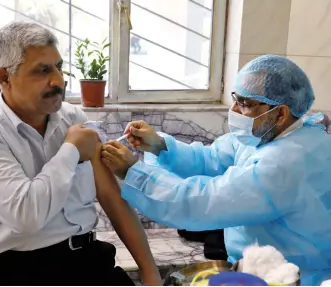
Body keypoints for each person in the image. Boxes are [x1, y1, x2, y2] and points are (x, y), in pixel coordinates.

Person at [0, 21, 161, 286]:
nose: (58, 80)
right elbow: (27, 216)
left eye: (58, 67)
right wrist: (71, 149)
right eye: (42, 70)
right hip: (14, 273)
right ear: (4, 78)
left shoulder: (71, 117)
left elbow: (112, 198)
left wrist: (150, 274)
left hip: (87, 261)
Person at [101, 55, 331, 286]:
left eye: (245, 103)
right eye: (235, 99)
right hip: (262, 270)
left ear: (280, 113)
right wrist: (161, 146)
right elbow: (209, 158)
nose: (233, 110)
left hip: (293, 278)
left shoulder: (286, 162)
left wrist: (134, 173)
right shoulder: (269, 135)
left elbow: (201, 202)